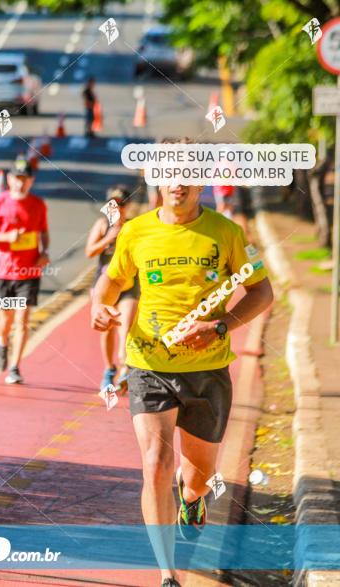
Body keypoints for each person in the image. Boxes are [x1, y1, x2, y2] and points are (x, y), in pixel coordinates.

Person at [90, 151, 273, 587]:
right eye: (170, 175)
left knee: (199, 477)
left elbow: (262, 292)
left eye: (189, 175)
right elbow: (112, 280)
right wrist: (101, 305)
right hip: (148, 363)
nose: (179, 183)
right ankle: (167, 572)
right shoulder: (135, 232)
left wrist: (221, 325)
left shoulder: (226, 233)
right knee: (154, 462)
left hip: (207, 372)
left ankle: (193, 497)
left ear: (203, 181)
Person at [0, 155, 49, 384]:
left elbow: (43, 232)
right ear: (9, 179)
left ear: (31, 181)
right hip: (4, 270)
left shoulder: (38, 205)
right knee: (6, 321)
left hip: (29, 272)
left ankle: (16, 367)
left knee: (22, 320)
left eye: (25, 179)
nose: (20, 183)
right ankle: (2, 342)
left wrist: (44, 252)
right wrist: (6, 237)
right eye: (17, 178)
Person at [85, 186, 139, 391]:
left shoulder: (134, 227)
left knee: (125, 326)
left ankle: (125, 368)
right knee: (106, 327)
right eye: (112, 204)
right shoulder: (102, 225)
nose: (116, 208)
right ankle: (109, 370)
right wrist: (109, 238)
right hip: (104, 285)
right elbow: (89, 251)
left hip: (129, 284)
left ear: (128, 206)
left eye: (121, 205)